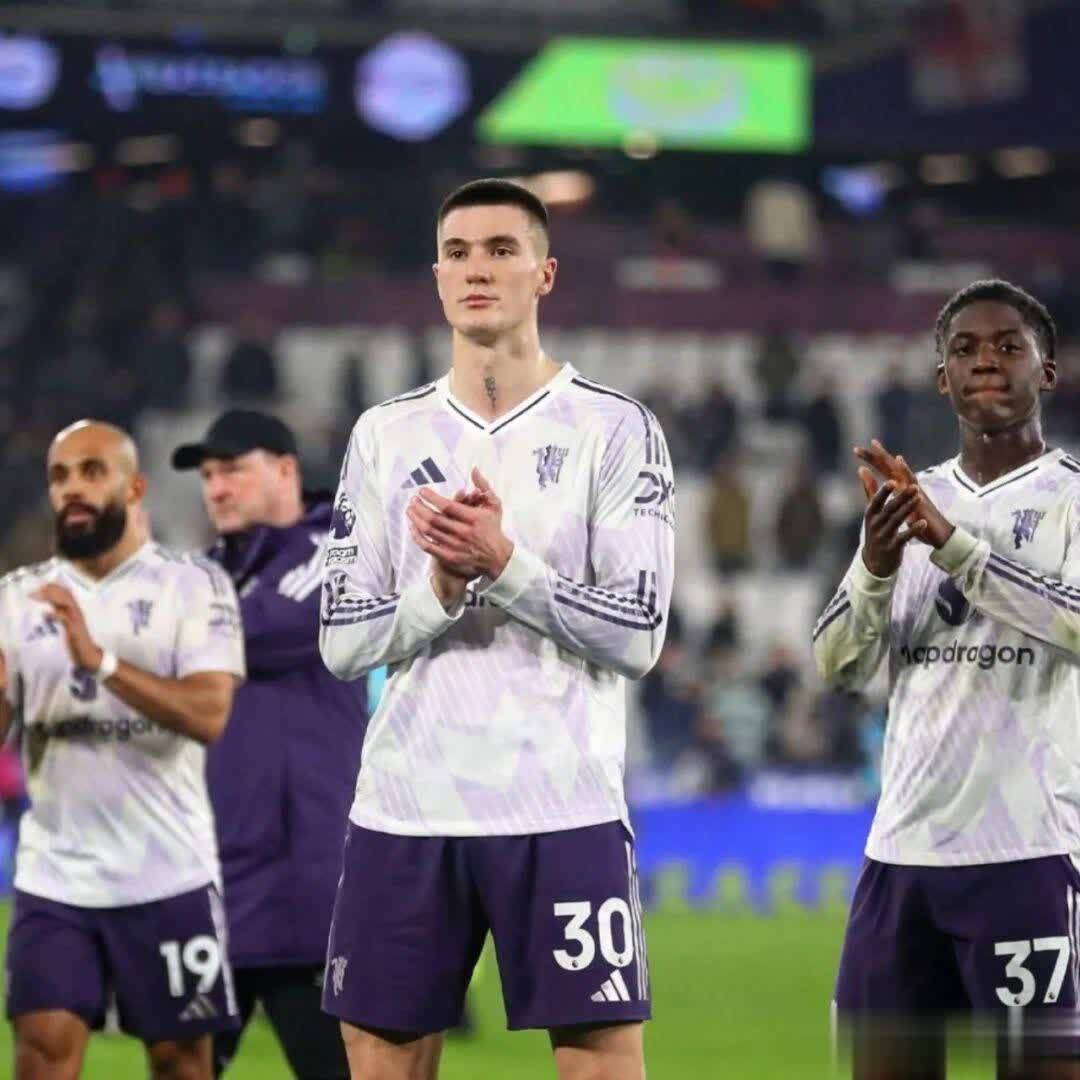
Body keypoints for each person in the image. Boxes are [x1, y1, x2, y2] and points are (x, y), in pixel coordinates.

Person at [318, 178, 674, 1079]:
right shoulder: (383, 435)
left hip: (563, 806)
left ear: (545, 274)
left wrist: (504, 563)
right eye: (458, 253)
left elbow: (639, 637)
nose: (477, 269)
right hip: (406, 808)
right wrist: (440, 588)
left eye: (502, 250)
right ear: (437, 277)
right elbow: (341, 644)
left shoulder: (614, 429)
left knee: (600, 1067)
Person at [814, 280, 1080, 1078]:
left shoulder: (1071, 498)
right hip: (902, 856)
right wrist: (875, 566)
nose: (985, 361)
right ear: (942, 379)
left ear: (1048, 370)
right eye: (964, 349)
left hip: (1029, 850)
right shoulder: (907, 501)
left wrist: (956, 547)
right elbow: (839, 664)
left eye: (1008, 346)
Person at [2, 420, 245, 1079]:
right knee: (41, 1053)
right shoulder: (17, 599)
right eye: (59, 476)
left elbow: (208, 714)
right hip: (55, 878)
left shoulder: (192, 586)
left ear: (134, 488)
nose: (71, 489)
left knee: (181, 1064)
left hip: (167, 874)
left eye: (91, 472)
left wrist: (101, 663)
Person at [172, 409, 364, 1079]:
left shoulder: (336, 555)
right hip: (210, 879)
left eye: (232, 470)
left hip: (304, 887)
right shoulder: (203, 573)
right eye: (206, 476)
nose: (216, 488)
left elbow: (248, 632)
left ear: (285, 470)